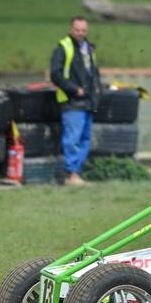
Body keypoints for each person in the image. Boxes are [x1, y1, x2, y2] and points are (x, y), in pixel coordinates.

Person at [50, 16, 102, 186]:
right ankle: (71, 174)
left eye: (84, 30)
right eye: (78, 30)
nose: (81, 33)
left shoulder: (89, 49)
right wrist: (75, 89)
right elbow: (55, 74)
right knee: (72, 140)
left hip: (88, 102)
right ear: (71, 29)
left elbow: (94, 72)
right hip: (72, 102)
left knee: (85, 139)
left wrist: (97, 89)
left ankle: (76, 173)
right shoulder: (63, 48)